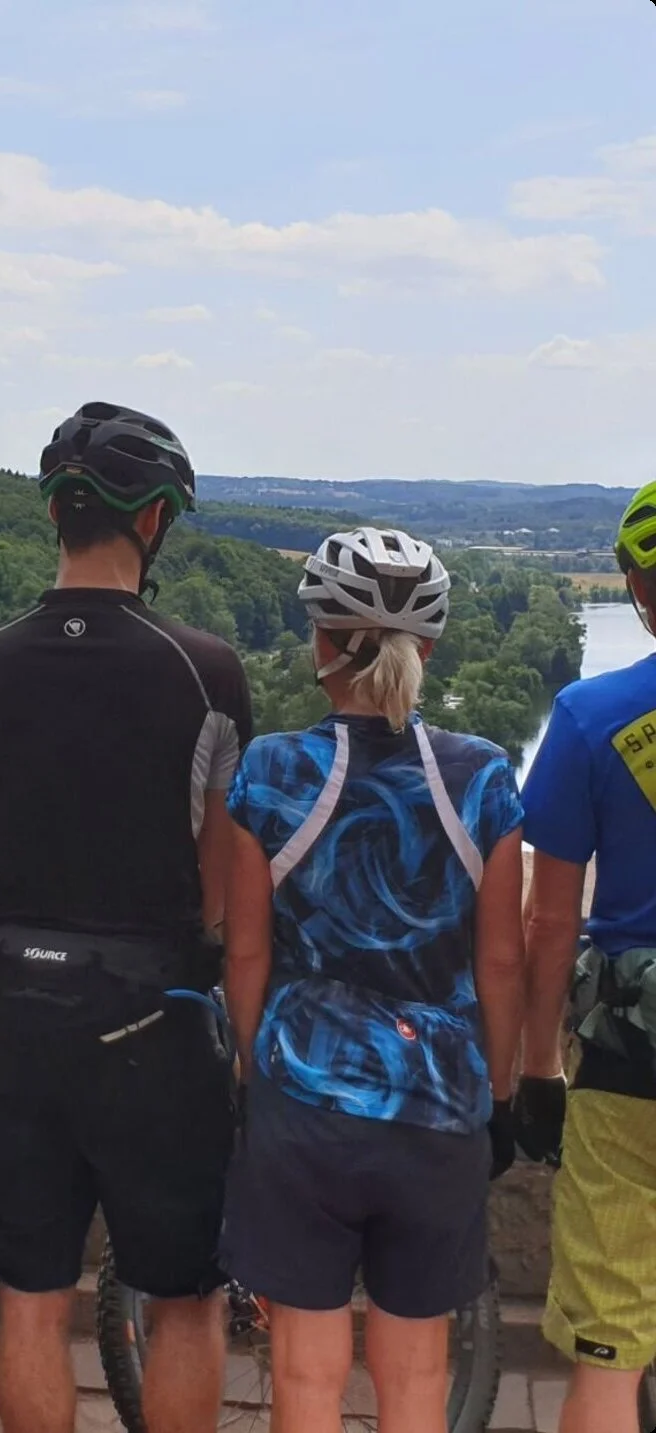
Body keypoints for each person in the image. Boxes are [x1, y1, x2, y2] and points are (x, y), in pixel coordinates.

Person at [0, 401, 250, 1433]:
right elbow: (220, 874)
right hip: (151, 1010)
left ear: (56, 516)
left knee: (30, 1295)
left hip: (12, 1003)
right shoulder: (203, 668)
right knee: (184, 1297)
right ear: (154, 518)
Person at [221, 527, 525, 1433]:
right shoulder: (482, 777)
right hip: (438, 1107)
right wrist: (499, 1089)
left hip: (303, 1101)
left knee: (307, 1375)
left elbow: (245, 953)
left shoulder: (273, 771)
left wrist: (252, 1070)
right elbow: (501, 958)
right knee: (418, 1373)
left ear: (320, 640)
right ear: (427, 648)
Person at [515, 482, 656, 1433]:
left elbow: (549, 922)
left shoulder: (588, 714)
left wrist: (534, 1069)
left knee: (610, 1356)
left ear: (638, 585)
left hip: (626, 1062)